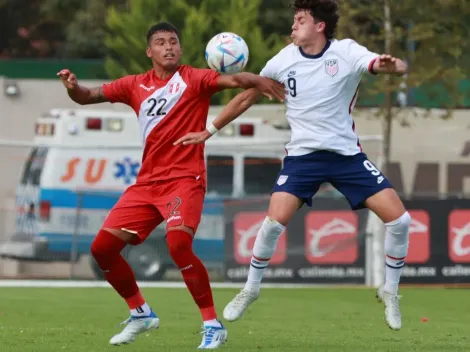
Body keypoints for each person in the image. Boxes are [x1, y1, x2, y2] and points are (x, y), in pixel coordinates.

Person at [174, 0, 409, 331]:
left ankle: (390, 291)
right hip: (302, 158)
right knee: (273, 222)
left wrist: (393, 65)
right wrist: (209, 130)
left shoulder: (345, 52)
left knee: (401, 221)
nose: (293, 26)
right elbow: (246, 97)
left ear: (319, 26)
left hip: (346, 157)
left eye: (300, 20)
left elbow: (383, 65)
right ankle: (250, 289)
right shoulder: (283, 59)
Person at [57, 22, 284, 349]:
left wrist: (257, 80)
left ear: (180, 49)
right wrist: (72, 87)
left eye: (174, 42)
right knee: (102, 250)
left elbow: (236, 80)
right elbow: (88, 96)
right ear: (149, 51)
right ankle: (141, 313)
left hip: (184, 179)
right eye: (161, 43)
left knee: (178, 245)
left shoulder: (195, 78)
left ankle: (212, 324)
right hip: (147, 184)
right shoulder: (134, 85)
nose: (169, 47)